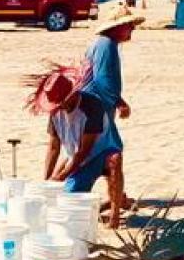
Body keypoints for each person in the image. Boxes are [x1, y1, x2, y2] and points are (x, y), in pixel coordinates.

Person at [76, 6, 144, 227]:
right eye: (129, 25)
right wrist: (120, 102)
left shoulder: (102, 44)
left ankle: (117, 199)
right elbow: (103, 81)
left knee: (104, 155)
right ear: (117, 27)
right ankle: (114, 215)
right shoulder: (106, 45)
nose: (132, 29)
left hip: (93, 108)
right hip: (97, 109)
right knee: (114, 156)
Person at [28, 65, 120, 196]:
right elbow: (54, 147)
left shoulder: (92, 106)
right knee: (57, 193)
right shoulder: (55, 112)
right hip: (72, 154)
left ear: (72, 95)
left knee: (71, 193)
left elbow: (84, 151)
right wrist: (47, 180)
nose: (59, 108)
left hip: (98, 154)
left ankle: (114, 213)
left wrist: (63, 175)